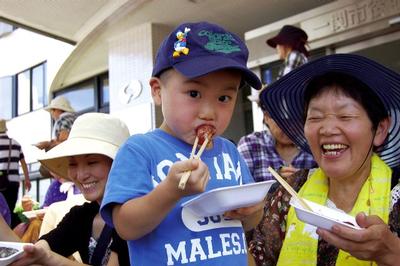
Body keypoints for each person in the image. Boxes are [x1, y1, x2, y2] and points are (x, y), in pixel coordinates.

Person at [100, 21, 263, 265]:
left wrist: (250, 212)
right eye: (194, 94)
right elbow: (125, 227)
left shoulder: (229, 151)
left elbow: (250, 221)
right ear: (157, 91)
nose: (209, 112)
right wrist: (171, 191)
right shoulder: (140, 150)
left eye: (224, 98)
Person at [249, 54, 400, 265]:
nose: (327, 130)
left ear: (380, 129)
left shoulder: (397, 198)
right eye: (315, 117)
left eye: (345, 116)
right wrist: (233, 225)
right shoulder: (288, 193)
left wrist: (391, 253)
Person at [13, 113, 130, 266]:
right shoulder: (81, 216)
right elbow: (38, 251)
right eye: (73, 164)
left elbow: (43, 255)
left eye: (92, 162)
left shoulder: (137, 214)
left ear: (118, 163)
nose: (81, 175)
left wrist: (47, 257)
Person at [238, 89, 317, 182]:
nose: (288, 127)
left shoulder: (313, 145)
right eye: (282, 122)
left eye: (294, 121)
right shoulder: (251, 145)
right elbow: (241, 186)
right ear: (266, 117)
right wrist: (275, 185)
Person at [35, 96, 79, 206]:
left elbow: (64, 140)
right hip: (75, 159)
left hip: (67, 158)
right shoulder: (73, 119)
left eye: (52, 110)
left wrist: (48, 144)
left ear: (59, 110)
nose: (52, 113)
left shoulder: (63, 119)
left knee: (43, 169)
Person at [0, 119, 31, 228]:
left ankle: (21, 229)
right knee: (10, 208)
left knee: (3, 211)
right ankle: (21, 229)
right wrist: (27, 179)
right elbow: (23, 163)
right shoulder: (16, 144)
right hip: (14, 183)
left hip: (1, 182)